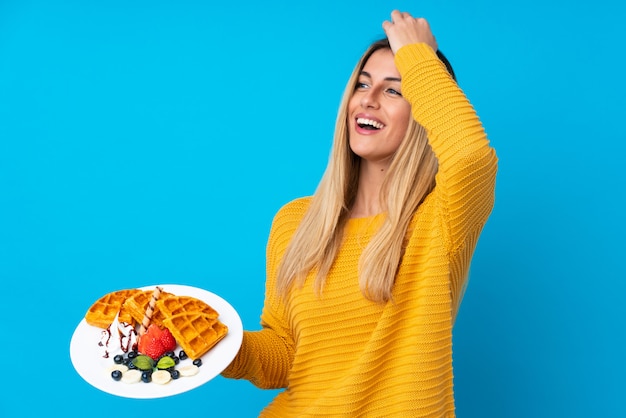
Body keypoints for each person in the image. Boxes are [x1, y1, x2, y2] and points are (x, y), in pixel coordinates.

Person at [222, 10, 497, 417]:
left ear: (421, 107)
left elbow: (471, 156)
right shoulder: (295, 221)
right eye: (363, 84)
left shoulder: (441, 219)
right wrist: (216, 345)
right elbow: (285, 353)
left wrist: (418, 55)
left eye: (393, 90)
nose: (367, 100)